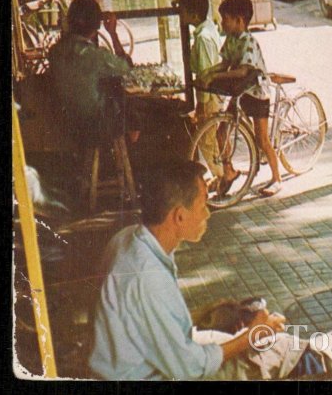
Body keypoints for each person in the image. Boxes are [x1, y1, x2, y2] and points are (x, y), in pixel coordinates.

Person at [88, 160, 291, 380]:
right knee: (274, 351)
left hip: (148, 361)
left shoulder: (129, 238)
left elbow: (149, 324)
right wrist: (251, 335)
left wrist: (206, 311)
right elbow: (190, 368)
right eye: (203, 205)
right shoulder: (147, 278)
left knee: (263, 342)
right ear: (179, 216)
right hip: (150, 375)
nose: (208, 214)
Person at [197, 0, 283, 198]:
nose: (222, 23)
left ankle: (277, 178)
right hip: (241, 91)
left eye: (225, 19)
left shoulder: (248, 42)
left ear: (239, 20)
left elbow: (242, 71)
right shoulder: (232, 40)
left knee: (262, 139)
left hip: (257, 93)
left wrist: (215, 75)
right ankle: (229, 170)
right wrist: (208, 72)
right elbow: (225, 62)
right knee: (221, 132)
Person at [47, 0, 135, 147]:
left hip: (65, 124)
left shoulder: (55, 52)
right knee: (134, 113)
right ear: (96, 25)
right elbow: (127, 68)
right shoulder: (95, 56)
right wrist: (113, 33)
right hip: (95, 127)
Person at [177, 0, 223, 190]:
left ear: (194, 15)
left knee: (206, 141)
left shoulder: (203, 38)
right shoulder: (208, 27)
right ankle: (222, 174)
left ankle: (221, 177)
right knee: (210, 139)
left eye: (183, 11)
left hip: (209, 96)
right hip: (212, 95)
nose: (180, 14)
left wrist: (202, 106)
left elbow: (204, 76)